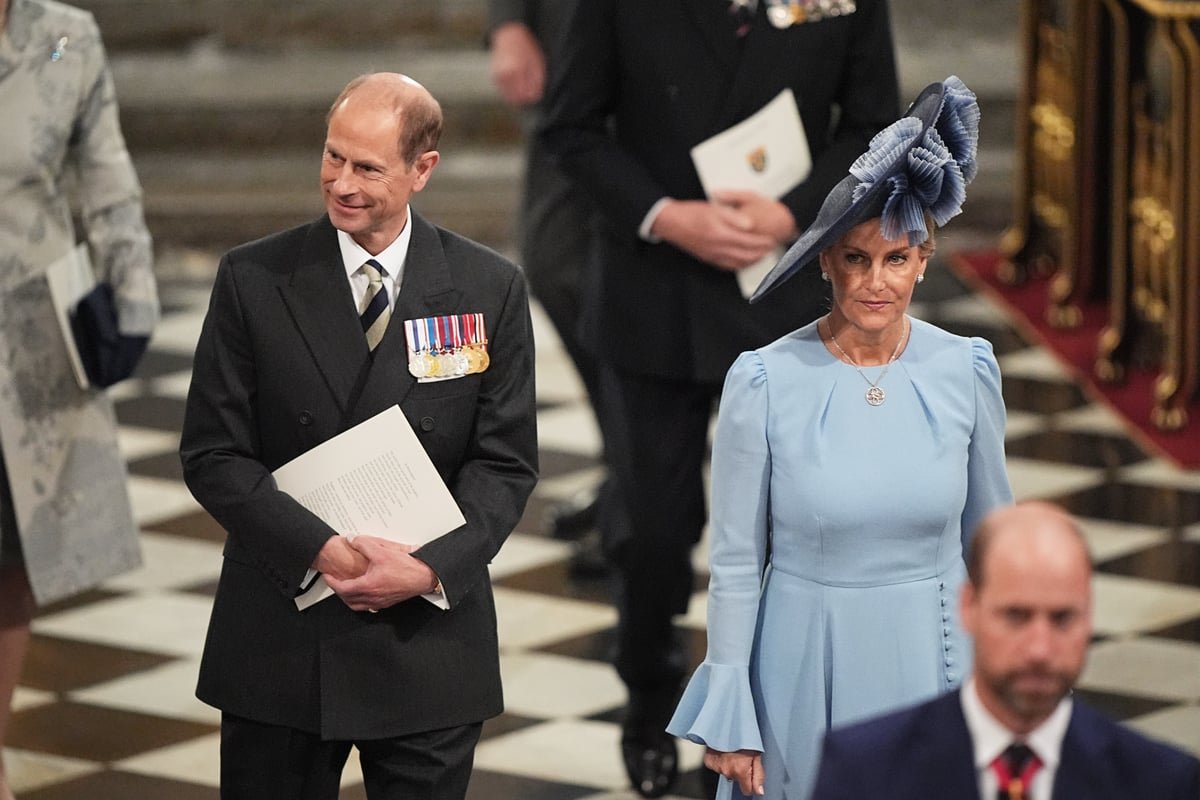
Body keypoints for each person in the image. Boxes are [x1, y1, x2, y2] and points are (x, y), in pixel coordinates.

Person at [539, 3, 901, 794]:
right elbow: (569, 130)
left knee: (786, 531)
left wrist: (797, 209)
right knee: (655, 529)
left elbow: (877, 125)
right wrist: (666, 217)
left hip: (781, 294)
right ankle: (647, 697)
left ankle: (751, 731)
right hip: (651, 294)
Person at [179, 73, 538, 799]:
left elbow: (504, 464)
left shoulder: (486, 287)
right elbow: (212, 453)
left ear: (421, 171)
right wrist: (319, 548)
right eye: (333, 157)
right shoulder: (254, 279)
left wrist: (429, 567)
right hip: (283, 632)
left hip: (426, 645)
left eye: (367, 167)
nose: (341, 182)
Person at [666, 76, 1013, 800]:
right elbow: (734, 562)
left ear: (923, 260)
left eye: (895, 259)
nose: (875, 282)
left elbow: (994, 546)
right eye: (855, 258)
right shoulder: (764, 382)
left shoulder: (965, 369)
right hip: (804, 670)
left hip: (938, 661)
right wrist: (731, 709)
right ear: (824, 261)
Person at [0, 1, 159, 796]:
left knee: (13, 554)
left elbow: (105, 175)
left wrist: (132, 290)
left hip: (31, 338)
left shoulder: (66, 35)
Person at [809, 501, 1200, 799]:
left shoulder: (1160, 783)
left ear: (1089, 618)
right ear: (969, 608)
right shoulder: (863, 773)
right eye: (1016, 616)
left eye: (1062, 619)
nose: (1039, 649)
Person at [486, 0, 610, 573]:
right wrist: (509, 20)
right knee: (555, 263)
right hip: (570, 47)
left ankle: (646, 497)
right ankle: (631, 473)